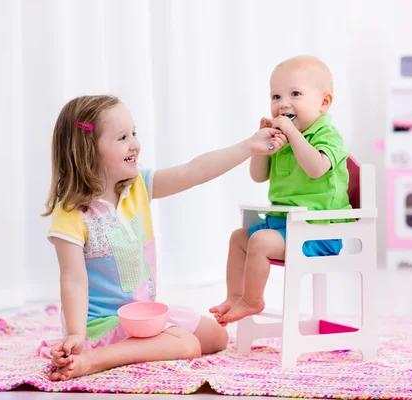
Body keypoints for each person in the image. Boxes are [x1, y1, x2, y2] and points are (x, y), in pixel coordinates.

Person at [39, 95, 282, 381]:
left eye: (134, 133)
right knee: (187, 345)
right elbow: (73, 281)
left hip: (140, 315)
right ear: (87, 150)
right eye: (122, 137)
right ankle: (95, 358)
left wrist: (247, 146)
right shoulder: (71, 213)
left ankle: (136, 347)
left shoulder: (137, 186)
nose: (134, 144)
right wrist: (77, 334)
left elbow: (194, 171)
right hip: (101, 324)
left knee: (216, 336)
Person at [209, 55, 351, 325]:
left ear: (324, 103)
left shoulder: (327, 134)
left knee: (259, 242)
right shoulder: (282, 138)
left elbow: (316, 168)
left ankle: (253, 301)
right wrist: (260, 145)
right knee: (239, 238)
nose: (283, 104)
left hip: (319, 231)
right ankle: (235, 295)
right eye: (276, 96)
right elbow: (258, 176)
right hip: (284, 226)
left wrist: (293, 135)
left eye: (295, 94)